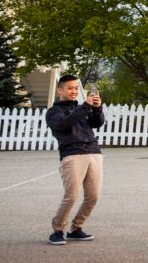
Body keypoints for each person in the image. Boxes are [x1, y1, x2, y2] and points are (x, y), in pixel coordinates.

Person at [45, 74, 104, 245]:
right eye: (70, 88)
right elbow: (65, 124)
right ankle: (57, 230)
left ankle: (76, 228)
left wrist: (97, 108)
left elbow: (97, 123)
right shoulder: (53, 112)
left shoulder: (81, 108)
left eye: (76, 89)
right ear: (59, 89)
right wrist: (85, 106)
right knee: (71, 196)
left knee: (93, 196)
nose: (74, 91)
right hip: (72, 155)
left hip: (93, 152)